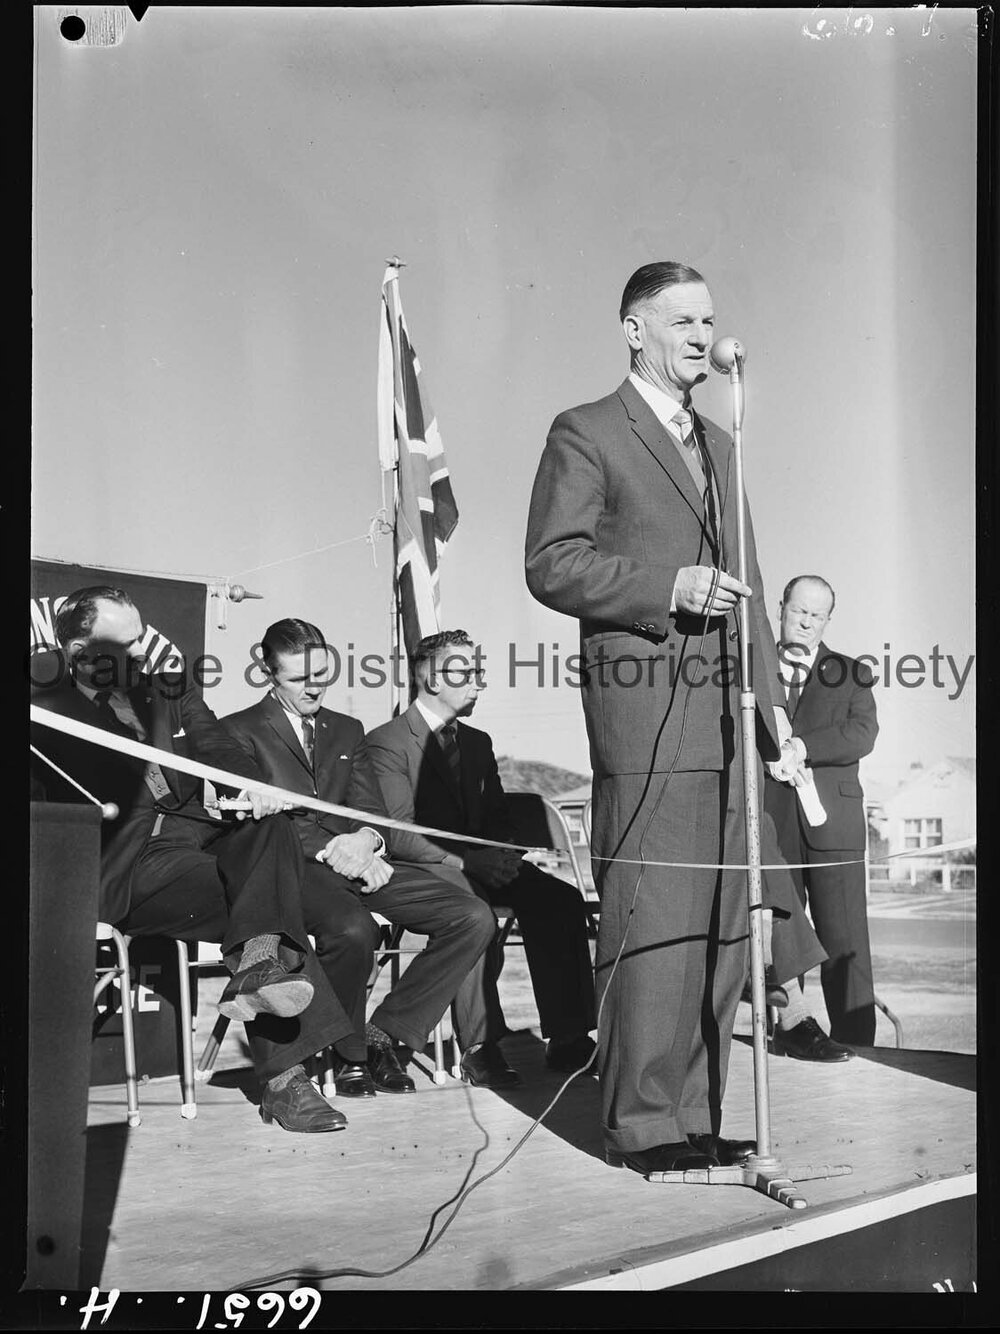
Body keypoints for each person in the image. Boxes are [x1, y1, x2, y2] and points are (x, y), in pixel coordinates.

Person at [524, 261, 798, 1177]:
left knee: (722, 926)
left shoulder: (725, 444)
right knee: (654, 919)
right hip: (646, 713)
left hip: (730, 719)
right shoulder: (588, 431)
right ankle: (643, 1124)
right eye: (681, 320)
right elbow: (552, 563)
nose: (701, 335)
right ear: (634, 330)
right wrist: (664, 588)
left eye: (709, 319)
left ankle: (696, 1113)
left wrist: (779, 724)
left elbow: (752, 592)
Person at [29, 587, 354, 1133]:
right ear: (80, 649)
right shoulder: (43, 711)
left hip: (192, 836)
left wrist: (251, 786)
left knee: (268, 828)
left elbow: (218, 746)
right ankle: (285, 1081)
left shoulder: (169, 689)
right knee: (272, 916)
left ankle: (257, 968)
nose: (140, 655)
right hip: (128, 864)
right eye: (125, 646)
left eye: (140, 640)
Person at [222, 618, 498, 1094]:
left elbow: (369, 807)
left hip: (360, 861)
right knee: (354, 931)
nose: (315, 688)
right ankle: (349, 1055)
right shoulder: (238, 732)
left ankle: (384, 1033)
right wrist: (338, 850)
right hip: (295, 871)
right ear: (269, 673)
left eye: (323, 675)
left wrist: (368, 839)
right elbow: (256, 825)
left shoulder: (348, 729)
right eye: (300, 679)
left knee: (472, 916)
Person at [366, 630, 597, 1088]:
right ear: (430, 679)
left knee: (560, 898)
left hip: (482, 865)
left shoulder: (477, 743)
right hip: (424, 868)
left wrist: (506, 854)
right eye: (465, 672)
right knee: (471, 909)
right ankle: (479, 1046)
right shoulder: (389, 743)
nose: (477, 682)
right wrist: (473, 863)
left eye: (478, 671)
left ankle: (569, 1037)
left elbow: (497, 816)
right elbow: (398, 833)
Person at [763, 575, 879, 1047]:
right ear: (780, 608)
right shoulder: (750, 669)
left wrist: (803, 746)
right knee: (784, 941)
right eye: (798, 611)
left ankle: (859, 1047)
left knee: (845, 943)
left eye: (817, 615)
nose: (806, 622)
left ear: (828, 620)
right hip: (773, 828)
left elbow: (862, 735)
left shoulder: (853, 673)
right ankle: (793, 1034)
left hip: (836, 830)